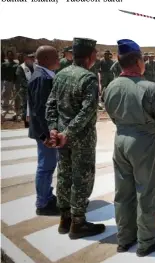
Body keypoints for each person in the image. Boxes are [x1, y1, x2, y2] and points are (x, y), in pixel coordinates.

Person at [103, 39, 155, 256]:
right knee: (146, 192)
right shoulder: (149, 88)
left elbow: (111, 114)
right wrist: (154, 136)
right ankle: (146, 242)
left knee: (123, 192)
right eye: (142, 60)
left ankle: (124, 239)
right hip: (143, 141)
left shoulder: (111, 86)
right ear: (137, 61)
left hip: (120, 139)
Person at [46, 37, 105, 239]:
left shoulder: (60, 75)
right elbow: (87, 111)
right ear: (89, 56)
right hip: (81, 138)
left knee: (64, 174)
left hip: (63, 136)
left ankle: (65, 220)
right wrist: (68, 132)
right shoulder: (88, 78)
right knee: (82, 177)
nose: (96, 56)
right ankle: (78, 223)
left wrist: (54, 129)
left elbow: (51, 105)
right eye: (95, 53)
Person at [28, 46, 60, 215]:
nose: (59, 59)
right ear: (46, 59)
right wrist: (45, 135)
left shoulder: (44, 75)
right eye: (56, 56)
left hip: (44, 131)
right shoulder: (42, 78)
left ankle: (47, 195)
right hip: (44, 132)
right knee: (46, 167)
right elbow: (40, 110)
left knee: (47, 165)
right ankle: (43, 203)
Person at [16, 52, 36, 124]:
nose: (33, 59)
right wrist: (31, 86)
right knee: (26, 106)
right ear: (26, 59)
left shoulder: (35, 66)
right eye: (31, 58)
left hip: (35, 91)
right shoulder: (20, 68)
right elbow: (22, 80)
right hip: (25, 91)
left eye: (33, 57)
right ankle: (26, 123)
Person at [1, 50, 17, 116]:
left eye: (11, 55)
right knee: (5, 94)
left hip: (14, 82)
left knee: (15, 96)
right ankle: (5, 107)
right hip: (7, 81)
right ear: (7, 56)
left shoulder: (16, 65)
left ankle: (16, 108)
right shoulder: (4, 64)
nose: (10, 56)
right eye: (9, 55)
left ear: (13, 56)